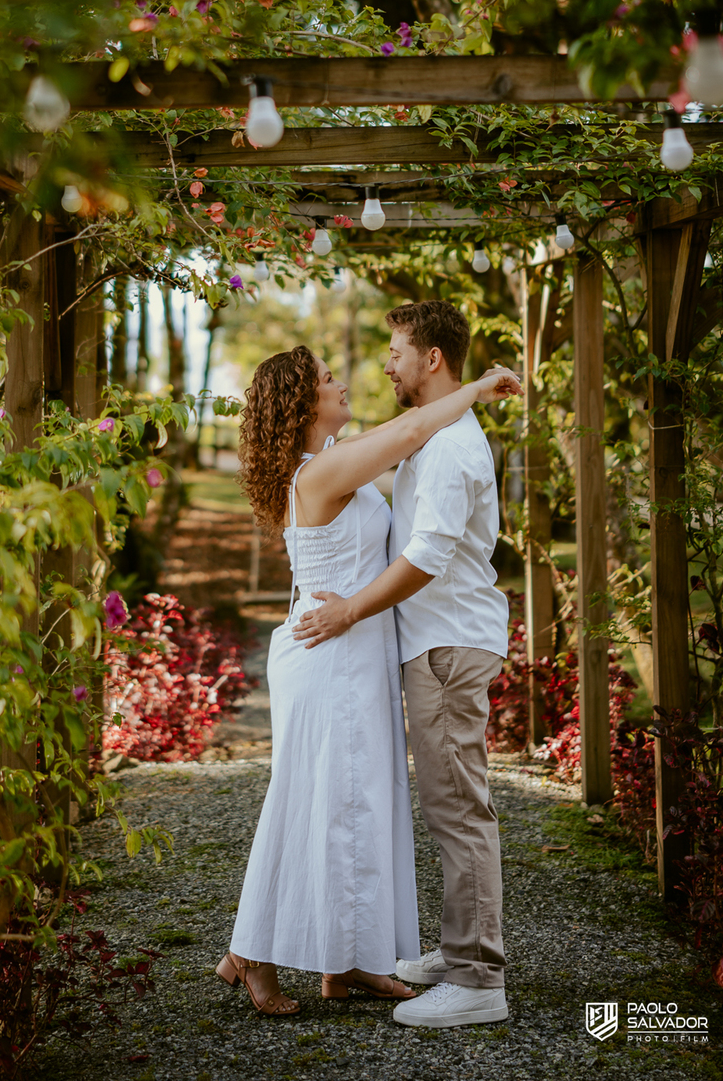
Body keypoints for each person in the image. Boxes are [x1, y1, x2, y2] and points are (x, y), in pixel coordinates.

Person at [215, 344, 520, 1017]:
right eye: (328, 379)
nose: (343, 382)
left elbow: (411, 471)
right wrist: (477, 388)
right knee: (311, 804)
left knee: (359, 809)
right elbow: (411, 431)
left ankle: (348, 960)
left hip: (357, 655)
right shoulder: (320, 471)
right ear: (303, 405)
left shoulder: (335, 462)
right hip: (329, 658)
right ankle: (250, 955)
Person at [293, 301, 514, 1030]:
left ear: (432, 361)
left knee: (459, 809)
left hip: (449, 643)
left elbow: (427, 557)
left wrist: (351, 609)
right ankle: (457, 957)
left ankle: (479, 978)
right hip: (436, 643)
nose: (385, 364)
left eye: (396, 351)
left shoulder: (449, 447)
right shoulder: (435, 435)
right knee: (448, 805)